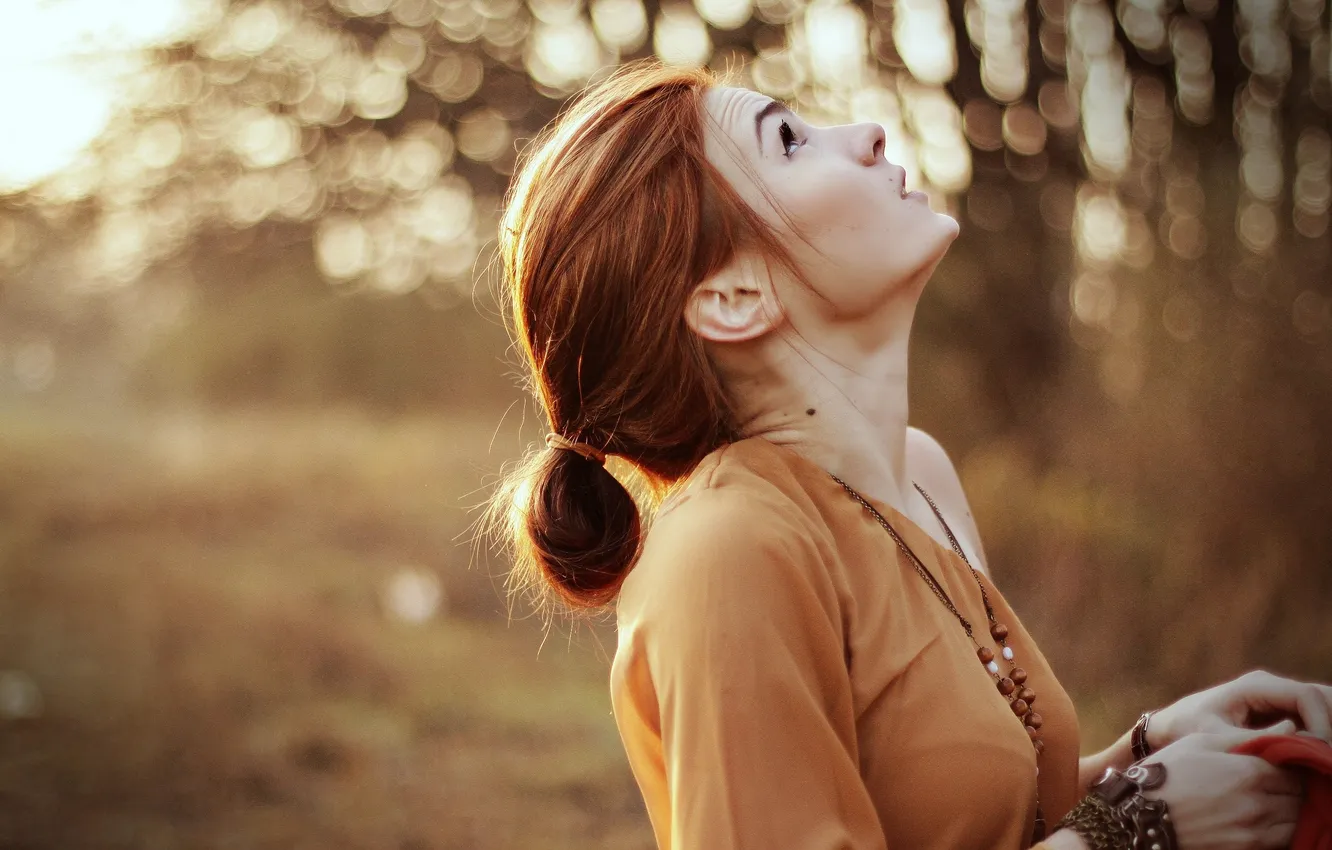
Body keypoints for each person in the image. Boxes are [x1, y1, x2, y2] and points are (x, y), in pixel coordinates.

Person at [485, 59, 1330, 849]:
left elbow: (971, 818)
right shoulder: (727, 552)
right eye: (788, 139)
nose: (865, 133)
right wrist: (1139, 827)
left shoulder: (921, 475)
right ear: (736, 298)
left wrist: (1144, 754)